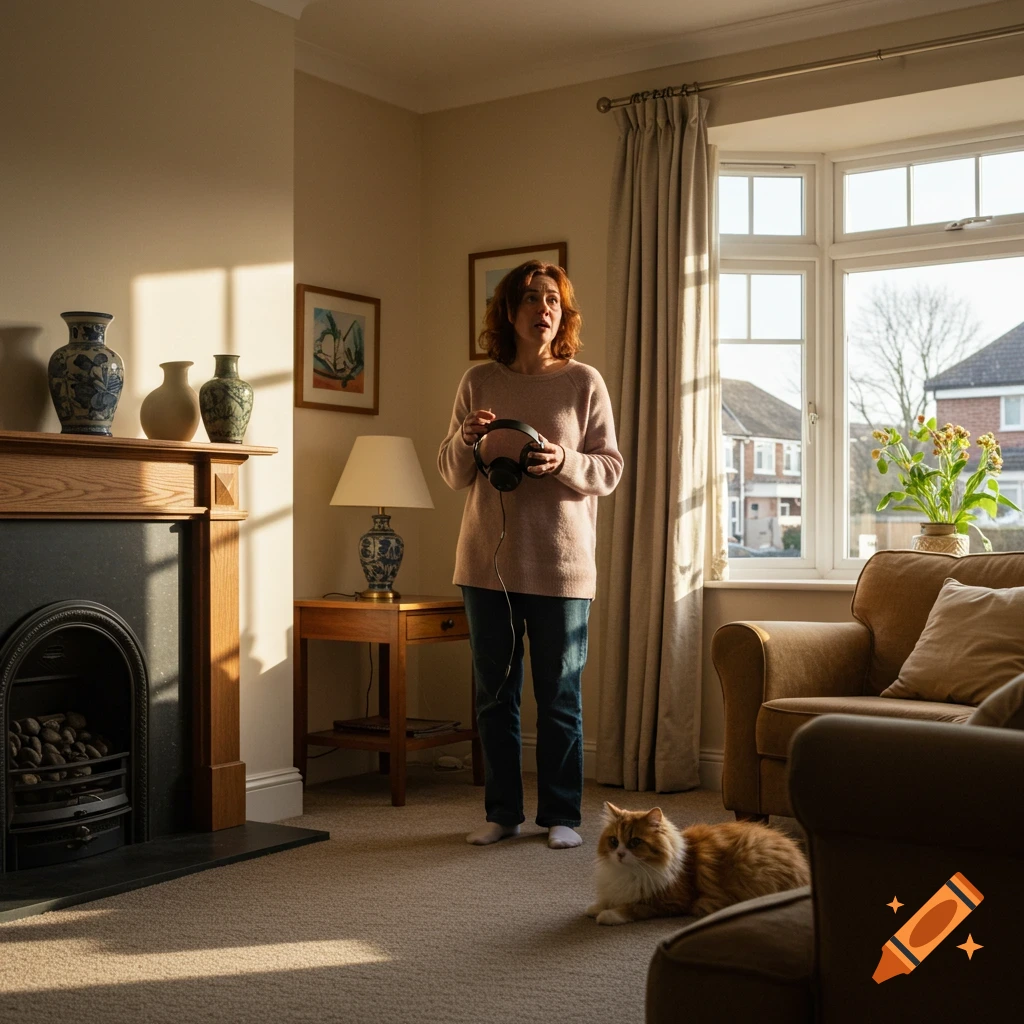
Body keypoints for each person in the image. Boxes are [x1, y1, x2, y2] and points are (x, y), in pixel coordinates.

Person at [437, 260, 623, 849]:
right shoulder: (478, 380)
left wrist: (562, 462)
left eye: (554, 300)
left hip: (563, 567)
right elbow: (450, 473)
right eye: (532, 299)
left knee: (560, 696)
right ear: (509, 312)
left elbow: (610, 467)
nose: (544, 309)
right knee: (494, 695)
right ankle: (503, 813)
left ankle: (562, 816)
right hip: (484, 567)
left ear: (562, 314)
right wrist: (466, 439)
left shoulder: (584, 381)